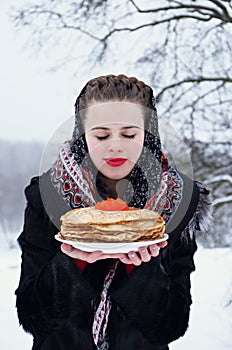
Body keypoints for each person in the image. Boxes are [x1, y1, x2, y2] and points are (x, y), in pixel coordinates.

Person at [15, 74, 212, 350]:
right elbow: (32, 317)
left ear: (148, 134)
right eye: (102, 135)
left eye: (130, 134)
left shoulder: (179, 201)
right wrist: (74, 263)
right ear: (83, 136)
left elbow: (171, 325)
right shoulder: (47, 196)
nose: (116, 145)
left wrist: (138, 267)